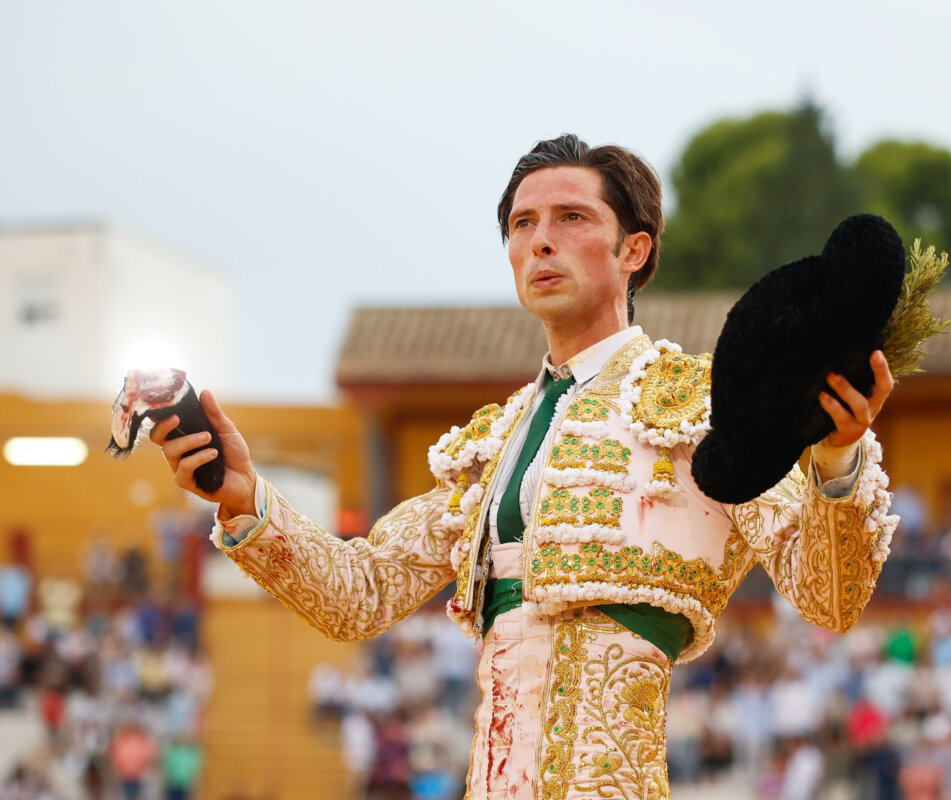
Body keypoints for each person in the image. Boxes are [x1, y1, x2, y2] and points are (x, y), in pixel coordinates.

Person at [150, 134, 898, 799]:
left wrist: (837, 454)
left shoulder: (698, 407)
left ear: (633, 251)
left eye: (572, 218)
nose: (542, 241)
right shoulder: (491, 443)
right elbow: (361, 595)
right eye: (522, 224)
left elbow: (828, 595)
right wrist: (246, 502)